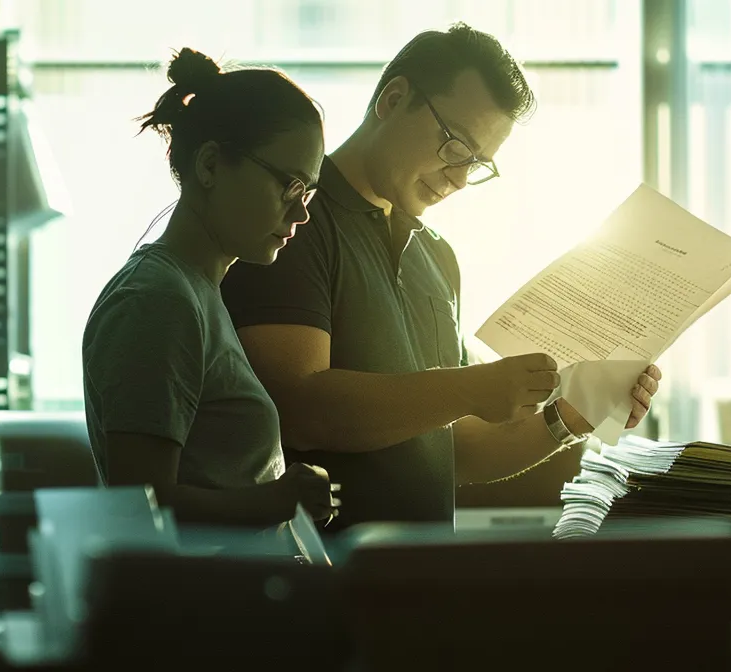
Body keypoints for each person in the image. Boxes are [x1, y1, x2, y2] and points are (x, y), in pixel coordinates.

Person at [220, 24, 663, 530]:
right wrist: (470, 388)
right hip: (327, 581)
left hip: (422, 583)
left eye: (478, 164)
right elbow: (302, 408)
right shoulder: (292, 223)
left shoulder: (437, 258)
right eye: (455, 145)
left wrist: (572, 417)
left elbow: (458, 452)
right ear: (393, 99)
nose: (459, 177)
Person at [82, 48, 338, 529]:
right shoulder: (158, 299)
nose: (302, 212)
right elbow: (140, 509)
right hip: (196, 602)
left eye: (309, 192)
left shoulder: (196, 291)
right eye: (289, 186)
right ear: (211, 165)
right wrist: (276, 501)